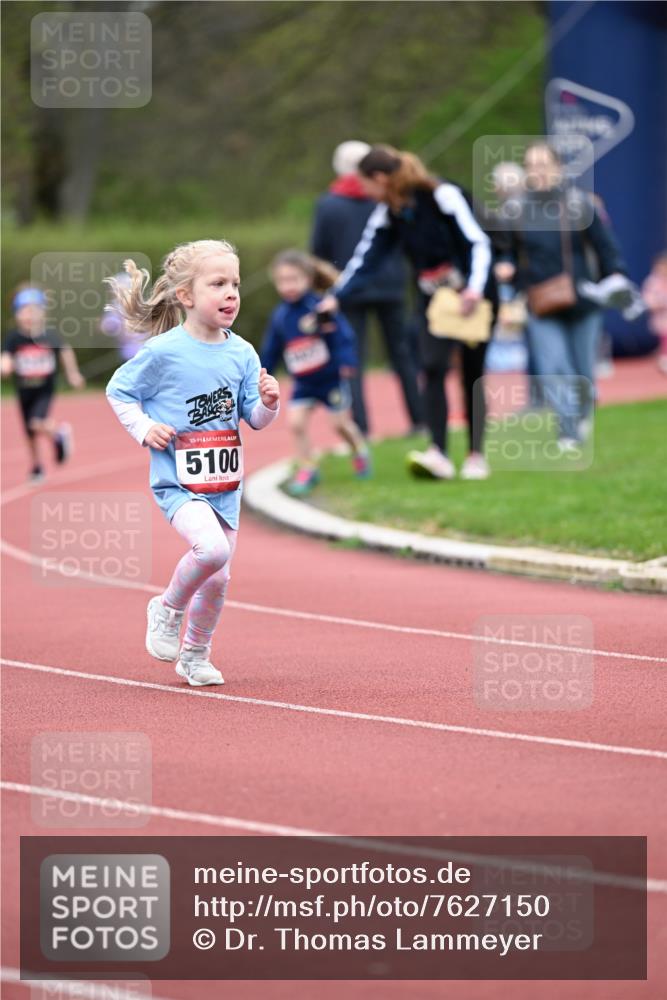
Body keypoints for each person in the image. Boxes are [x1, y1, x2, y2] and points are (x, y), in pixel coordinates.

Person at [106, 240, 280, 687]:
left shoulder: (242, 353)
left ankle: (195, 654)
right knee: (213, 551)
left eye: (236, 284)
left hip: (225, 486)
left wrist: (268, 403)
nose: (231, 294)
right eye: (218, 283)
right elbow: (119, 392)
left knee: (219, 579)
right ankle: (166, 608)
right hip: (178, 484)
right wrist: (144, 427)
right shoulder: (164, 352)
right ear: (186, 296)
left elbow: (254, 420)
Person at [319, 144, 495, 480]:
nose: (365, 192)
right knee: (432, 366)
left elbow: (478, 242)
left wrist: (474, 287)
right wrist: (336, 296)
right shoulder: (390, 211)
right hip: (435, 300)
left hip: (476, 293)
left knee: (472, 372)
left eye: (367, 184)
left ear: (381, 178)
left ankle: (475, 455)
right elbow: (366, 258)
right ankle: (439, 454)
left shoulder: (441, 195)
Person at [497, 143, 627, 449]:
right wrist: (507, 268)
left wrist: (615, 275)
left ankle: (582, 414)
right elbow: (507, 252)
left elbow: (605, 247)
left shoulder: (581, 204)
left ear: (557, 168)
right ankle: (567, 432)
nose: (538, 171)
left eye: (544, 164)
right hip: (541, 301)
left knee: (583, 371)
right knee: (553, 367)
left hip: (583, 299)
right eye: (532, 165)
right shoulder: (515, 211)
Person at [311, 140, 422, 438]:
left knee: (353, 358)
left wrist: (326, 291)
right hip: (391, 285)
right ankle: (419, 420)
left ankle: (362, 427)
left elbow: (319, 252)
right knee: (403, 355)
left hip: (348, 289)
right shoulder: (386, 197)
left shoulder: (328, 204)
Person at [261, 249, 370, 496]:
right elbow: (272, 348)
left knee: (340, 425)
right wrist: (262, 371)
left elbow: (343, 337)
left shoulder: (320, 308)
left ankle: (359, 449)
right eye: (282, 281)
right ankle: (308, 466)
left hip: (330, 380)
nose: (288, 286)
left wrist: (346, 361)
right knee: (295, 423)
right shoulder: (280, 317)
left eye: (293, 279)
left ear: (308, 279)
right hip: (304, 383)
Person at [1, 285, 85, 483]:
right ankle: (37, 466)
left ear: (42, 313)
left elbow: (65, 351)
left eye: (34, 311)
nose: (29, 316)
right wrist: (5, 366)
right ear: (17, 314)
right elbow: (5, 357)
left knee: (37, 422)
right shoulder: (14, 338)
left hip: (44, 390)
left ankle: (59, 434)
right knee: (30, 433)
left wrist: (73, 374)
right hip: (23, 391)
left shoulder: (49, 336)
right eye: (24, 311)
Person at [641, 251, 667, 374]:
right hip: (661, 317)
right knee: (664, 335)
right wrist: (658, 302)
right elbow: (647, 299)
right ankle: (664, 357)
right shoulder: (653, 281)